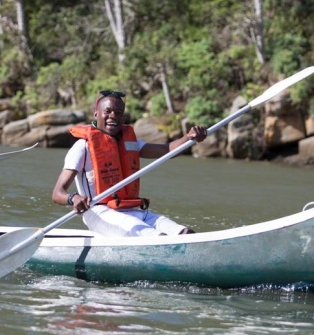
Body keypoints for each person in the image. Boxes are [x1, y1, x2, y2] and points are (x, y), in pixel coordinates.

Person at [51, 90, 207, 237]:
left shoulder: (131, 143)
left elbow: (167, 150)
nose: (113, 116)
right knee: (157, 237)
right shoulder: (81, 148)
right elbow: (57, 193)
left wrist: (189, 138)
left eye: (118, 113)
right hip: (99, 213)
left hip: (133, 210)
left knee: (186, 233)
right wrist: (74, 198)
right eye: (108, 111)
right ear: (96, 114)